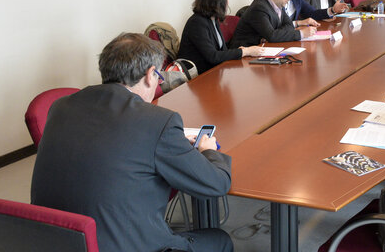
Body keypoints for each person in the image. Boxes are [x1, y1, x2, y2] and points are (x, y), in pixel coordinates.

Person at [31, 33, 233, 252]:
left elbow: (110, 139)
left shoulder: (60, 107)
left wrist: (167, 141)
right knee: (220, 239)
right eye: (159, 77)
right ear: (149, 75)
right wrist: (208, 151)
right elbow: (216, 184)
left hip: (58, 242)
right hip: (125, 246)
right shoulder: (158, 121)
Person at [177, 0, 265, 73]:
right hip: (198, 77)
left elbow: (222, 50)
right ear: (219, 1)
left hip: (213, 71)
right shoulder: (197, 22)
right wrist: (245, 52)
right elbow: (213, 56)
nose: (227, 3)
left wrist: (241, 50)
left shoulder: (212, 19)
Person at [230, 0, 317, 47]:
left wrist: (276, 34)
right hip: (243, 53)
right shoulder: (259, 8)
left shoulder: (278, 4)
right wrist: (301, 33)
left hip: (262, 47)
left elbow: (289, 24)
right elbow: (272, 36)